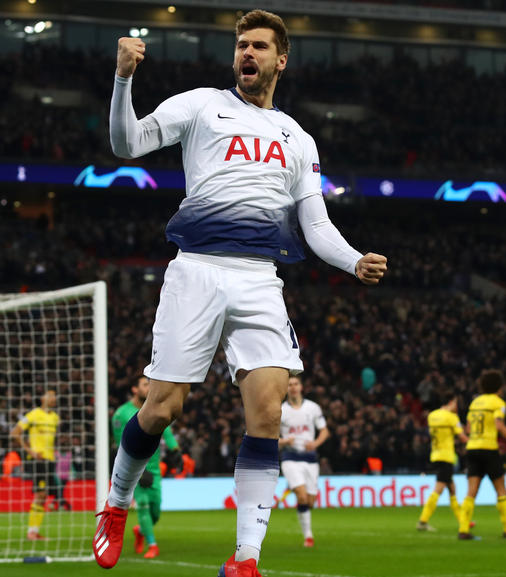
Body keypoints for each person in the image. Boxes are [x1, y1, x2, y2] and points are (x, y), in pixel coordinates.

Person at [94, 9, 388, 575]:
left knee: (268, 413)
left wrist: (355, 262)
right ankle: (115, 504)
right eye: (240, 45)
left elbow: (316, 225)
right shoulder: (203, 105)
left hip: (260, 278)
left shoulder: (297, 138)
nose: (246, 54)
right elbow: (127, 144)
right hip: (197, 270)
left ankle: (246, 559)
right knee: (162, 409)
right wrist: (124, 78)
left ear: (282, 59)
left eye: (258, 46)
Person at [112, 376, 182, 560]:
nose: (149, 387)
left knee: (155, 512)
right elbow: (121, 444)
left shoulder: (153, 409)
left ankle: (141, 530)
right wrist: (137, 470)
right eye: (145, 384)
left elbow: (165, 430)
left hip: (155, 468)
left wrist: (175, 450)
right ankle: (152, 545)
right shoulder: (121, 414)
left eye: (150, 384)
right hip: (135, 469)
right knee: (142, 506)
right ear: (135, 389)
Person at [459, 369, 506, 539]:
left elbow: (467, 428)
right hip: (489, 448)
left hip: (472, 448)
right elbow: (499, 425)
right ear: (499, 386)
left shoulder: (475, 403)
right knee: (501, 489)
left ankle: (463, 530)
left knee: (471, 491)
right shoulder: (498, 403)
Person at [278, 375, 329, 548]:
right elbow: (270, 437)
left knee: (309, 501)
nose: (292, 387)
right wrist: (284, 441)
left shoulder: (313, 408)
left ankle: (292, 486)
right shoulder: (280, 410)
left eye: (295, 384)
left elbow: (324, 431)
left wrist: (315, 443)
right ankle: (308, 536)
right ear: (286, 389)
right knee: (301, 496)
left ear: (301, 387)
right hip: (290, 457)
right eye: (289, 384)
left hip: (310, 459)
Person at [11, 389, 69, 541]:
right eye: (49, 395)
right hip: (38, 460)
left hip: (50, 460)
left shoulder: (55, 418)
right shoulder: (33, 414)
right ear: (42, 398)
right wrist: (31, 451)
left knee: (44, 496)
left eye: (54, 395)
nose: (53, 398)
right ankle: (32, 533)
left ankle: (34, 531)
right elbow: (15, 433)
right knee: (40, 494)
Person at [416, 393, 469, 537]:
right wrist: (474, 442)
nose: (457, 407)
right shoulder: (451, 418)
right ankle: (423, 520)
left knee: (452, 489)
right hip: (446, 456)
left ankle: (462, 519)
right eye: (456, 403)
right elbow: (462, 437)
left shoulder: (432, 416)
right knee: (438, 489)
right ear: (451, 402)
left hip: (435, 454)